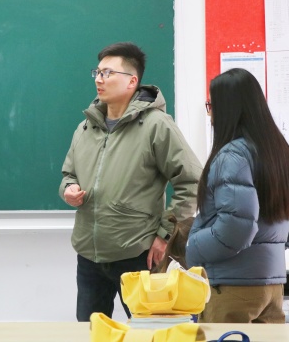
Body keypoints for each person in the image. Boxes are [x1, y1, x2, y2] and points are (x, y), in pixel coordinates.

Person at [59, 42, 202, 321]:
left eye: (108, 73)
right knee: (90, 332)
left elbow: (192, 181)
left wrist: (166, 235)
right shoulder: (86, 127)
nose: (99, 79)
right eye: (97, 72)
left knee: (147, 332)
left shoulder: (156, 125)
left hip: (138, 254)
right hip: (89, 256)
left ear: (132, 81)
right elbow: (68, 175)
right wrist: (69, 190)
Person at [185, 68, 289, 323]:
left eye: (211, 106)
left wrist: (193, 245)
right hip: (273, 287)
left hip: (233, 287)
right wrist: (270, 249)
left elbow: (236, 229)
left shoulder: (232, 156)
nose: (210, 115)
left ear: (227, 109)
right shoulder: (282, 152)